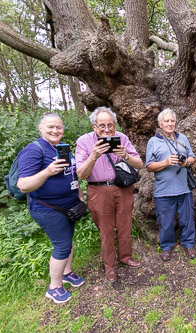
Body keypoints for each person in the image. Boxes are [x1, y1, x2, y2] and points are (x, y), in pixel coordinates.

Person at [17, 113, 85, 304]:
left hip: (69, 205)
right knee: (62, 245)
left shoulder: (62, 148)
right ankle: (54, 287)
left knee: (68, 240)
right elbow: (23, 185)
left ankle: (67, 273)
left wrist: (79, 194)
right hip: (47, 208)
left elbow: (70, 174)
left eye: (59, 127)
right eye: (50, 127)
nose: (55, 130)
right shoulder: (34, 150)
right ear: (40, 128)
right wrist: (47, 171)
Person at [75, 107, 143, 282]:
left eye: (110, 125)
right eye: (102, 125)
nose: (107, 129)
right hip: (98, 190)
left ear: (115, 125)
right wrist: (94, 155)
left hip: (122, 188)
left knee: (125, 224)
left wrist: (126, 156)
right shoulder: (84, 142)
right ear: (94, 126)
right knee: (105, 230)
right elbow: (81, 174)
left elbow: (140, 164)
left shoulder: (122, 138)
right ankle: (110, 265)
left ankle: (125, 257)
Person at [146, 109, 196, 261]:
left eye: (172, 121)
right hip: (163, 191)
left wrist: (185, 162)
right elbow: (148, 166)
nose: (170, 124)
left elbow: (192, 158)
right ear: (160, 123)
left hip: (184, 188)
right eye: (166, 121)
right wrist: (165, 162)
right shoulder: (153, 141)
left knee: (187, 219)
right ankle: (166, 247)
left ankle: (188, 244)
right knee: (165, 221)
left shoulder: (183, 138)